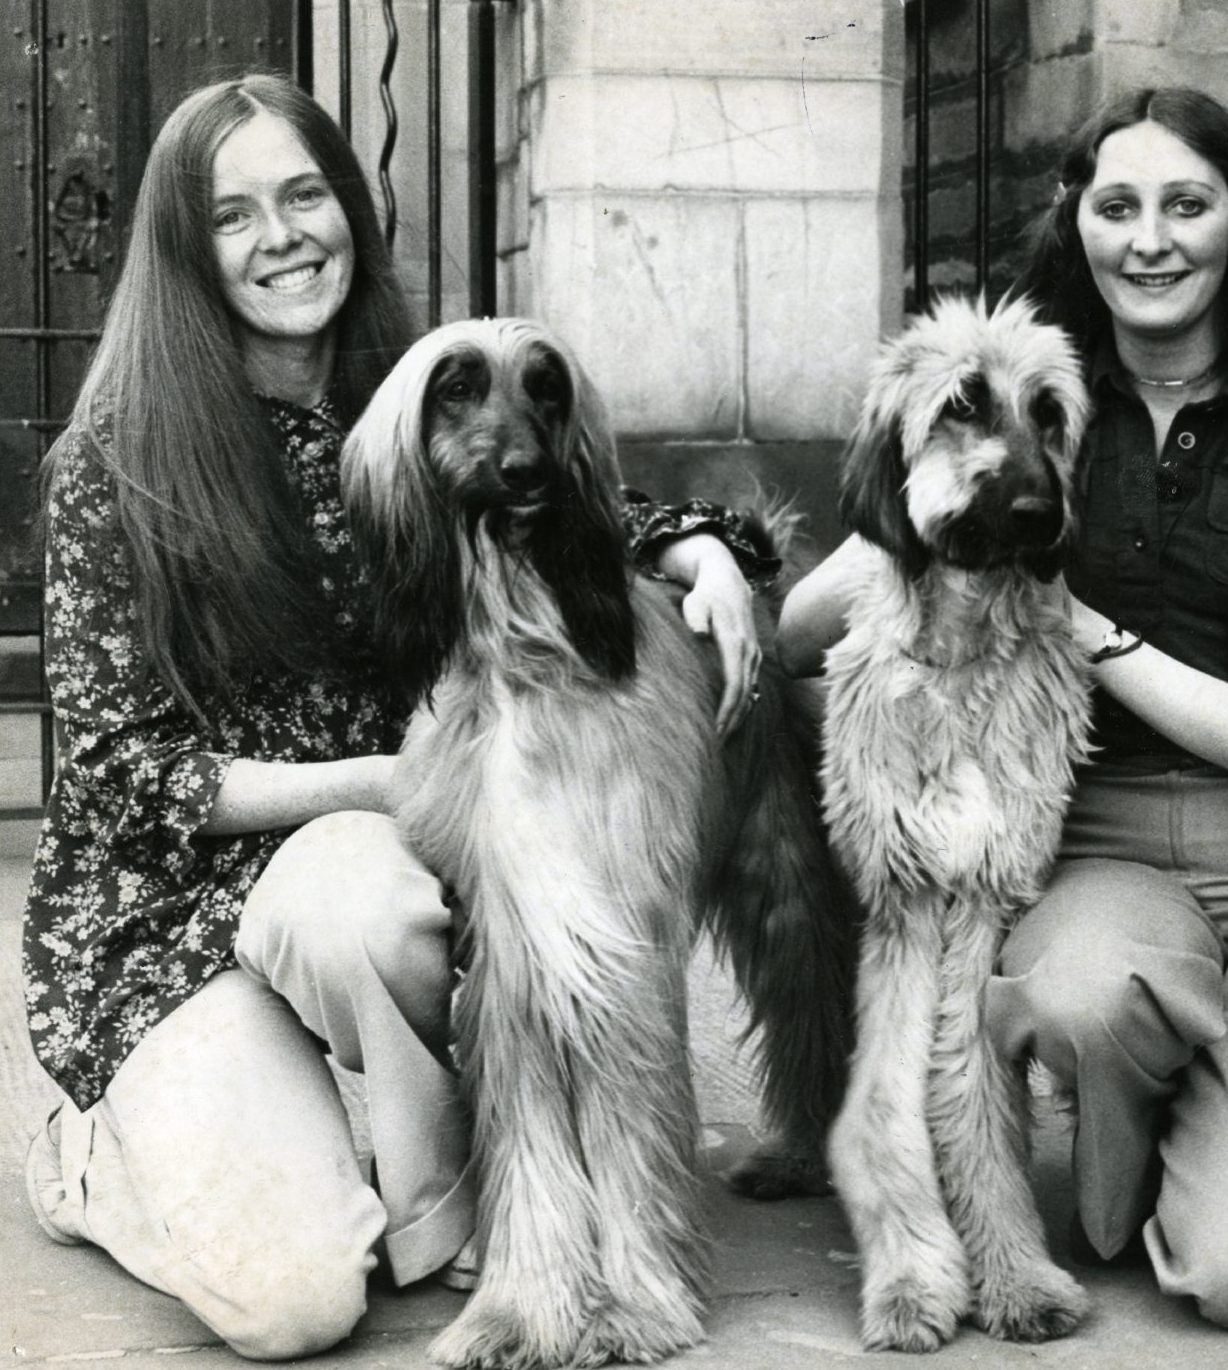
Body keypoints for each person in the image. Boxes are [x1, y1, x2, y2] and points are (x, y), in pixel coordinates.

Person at [22, 73, 776, 1359]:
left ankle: (443, 1215)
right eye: (234, 213)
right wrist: (399, 777)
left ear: (351, 212)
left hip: (366, 881)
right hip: (176, 920)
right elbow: (114, 779)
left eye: (306, 193)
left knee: (377, 902)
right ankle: (90, 1149)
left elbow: (571, 495)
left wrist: (702, 545)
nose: (283, 236)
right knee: (296, 1298)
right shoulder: (119, 459)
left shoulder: (415, 395)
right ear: (184, 249)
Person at [779, 86, 1228, 1332]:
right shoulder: (1050, 404)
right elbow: (816, 612)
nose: (1149, 239)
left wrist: (1084, 623)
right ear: (1075, 223)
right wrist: (758, 558)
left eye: (1184, 206)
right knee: (1070, 1002)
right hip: (1108, 840)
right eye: (1115, 206)